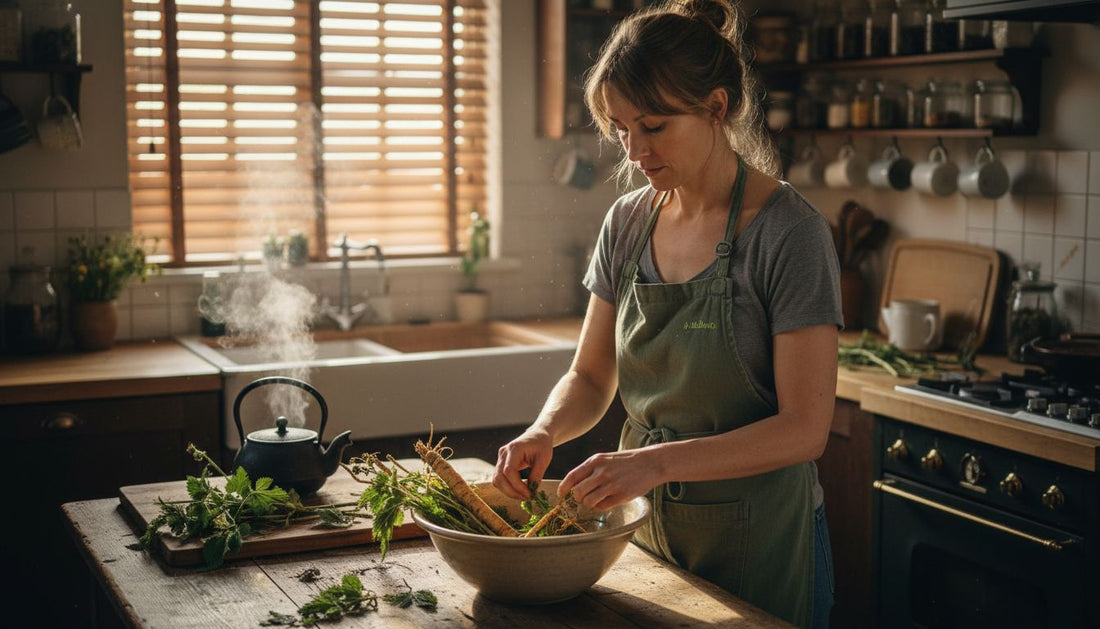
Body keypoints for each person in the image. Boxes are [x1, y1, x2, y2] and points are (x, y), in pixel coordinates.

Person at [492, 1, 841, 627]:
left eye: (652, 126)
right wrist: (544, 431)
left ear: (716, 108)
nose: (634, 151)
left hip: (763, 540)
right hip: (648, 527)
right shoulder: (627, 221)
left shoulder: (790, 234)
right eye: (622, 128)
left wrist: (654, 463)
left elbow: (805, 429)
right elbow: (592, 378)